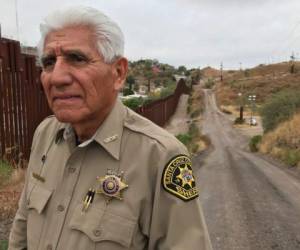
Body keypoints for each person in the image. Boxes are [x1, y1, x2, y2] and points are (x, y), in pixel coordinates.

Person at [9, 6, 212, 250]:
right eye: (49, 62)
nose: (56, 77)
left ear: (118, 73)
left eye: (77, 58)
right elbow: (22, 225)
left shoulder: (160, 156)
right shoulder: (45, 134)